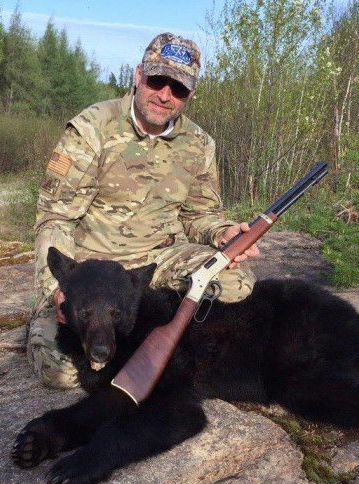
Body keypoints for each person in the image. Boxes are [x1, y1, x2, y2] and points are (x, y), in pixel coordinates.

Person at [27, 32, 260, 388]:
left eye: (178, 88)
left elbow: (200, 216)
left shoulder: (199, 144)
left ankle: (152, 320)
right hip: (94, 272)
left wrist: (223, 233)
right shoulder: (92, 128)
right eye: (157, 80)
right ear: (138, 75)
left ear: (190, 94)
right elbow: (56, 218)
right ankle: (50, 317)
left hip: (160, 259)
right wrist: (57, 288)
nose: (165, 95)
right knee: (59, 371)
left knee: (236, 282)